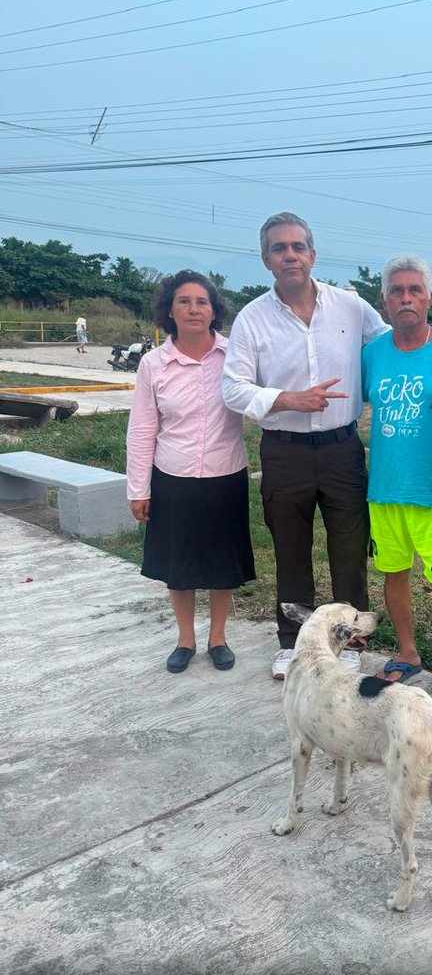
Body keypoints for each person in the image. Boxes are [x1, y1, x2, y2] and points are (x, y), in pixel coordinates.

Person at [222, 212, 432, 681]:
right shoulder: (252, 318)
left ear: (313, 255)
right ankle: (291, 641)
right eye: (279, 248)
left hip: (342, 448)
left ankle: (350, 639)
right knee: (291, 548)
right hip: (284, 447)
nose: (290, 255)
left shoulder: (352, 307)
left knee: (350, 550)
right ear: (266, 259)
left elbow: (403, 336)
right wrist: (283, 399)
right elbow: (232, 388)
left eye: (298, 246)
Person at [126, 271, 256, 674]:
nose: (194, 309)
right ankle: (185, 639)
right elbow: (143, 427)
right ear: (170, 310)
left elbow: (264, 395)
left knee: (221, 564)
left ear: (214, 310)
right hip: (173, 476)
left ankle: (218, 638)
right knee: (179, 568)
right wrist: (138, 488)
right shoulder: (154, 364)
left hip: (225, 474)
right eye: (184, 301)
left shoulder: (235, 356)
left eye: (202, 301)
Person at [361, 255, 432, 706]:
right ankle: (407, 652)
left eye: (414, 290)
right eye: (396, 290)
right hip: (385, 489)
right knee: (393, 573)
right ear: (384, 300)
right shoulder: (373, 354)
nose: (405, 298)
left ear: (429, 297)